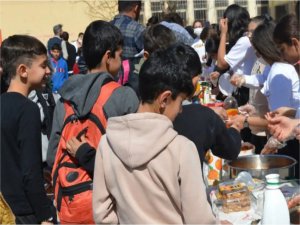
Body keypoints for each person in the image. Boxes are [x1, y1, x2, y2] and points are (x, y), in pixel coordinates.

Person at [91, 43, 216, 224]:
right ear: (164, 99)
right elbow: (199, 219)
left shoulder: (107, 144)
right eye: (180, 102)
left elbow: (102, 215)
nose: (180, 111)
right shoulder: (181, 149)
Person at [47, 20, 139, 169]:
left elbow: (53, 157)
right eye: (120, 55)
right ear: (108, 57)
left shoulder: (65, 99)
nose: (121, 61)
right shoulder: (124, 96)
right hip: (110, 189)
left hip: (71, 188)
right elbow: (135, 156)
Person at [0, 35, 56, 224]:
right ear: (23, 70)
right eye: (43, 65)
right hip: (24, 212)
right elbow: (30, 172)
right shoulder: (28, 109)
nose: (48, 71)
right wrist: (44, 215)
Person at [215, 4, 256, 106]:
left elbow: (221, 63)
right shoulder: (243, 39)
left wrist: (223, 34)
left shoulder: (244, 41)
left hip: (245, 89)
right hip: (242, 87)